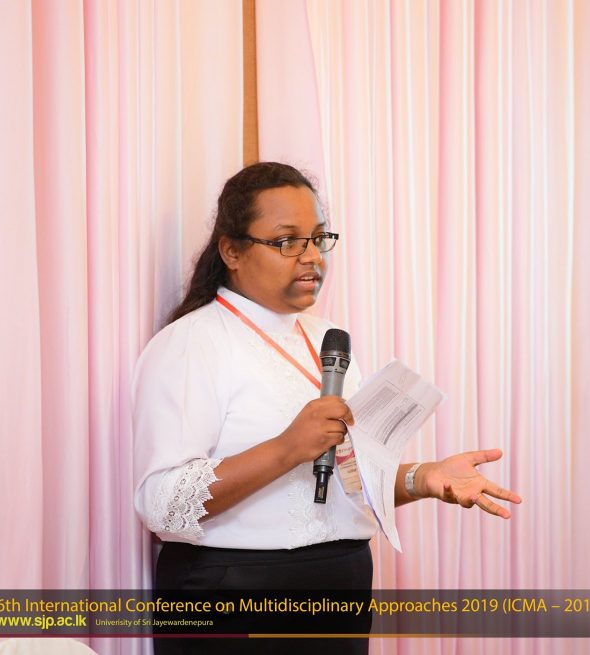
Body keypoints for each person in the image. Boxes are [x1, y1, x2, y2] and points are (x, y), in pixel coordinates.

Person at [132, 162, 522, 654]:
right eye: (287, 241)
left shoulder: (328, 340)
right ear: (231, 250)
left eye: (318, 238)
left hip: (340, 585)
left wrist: (421, 478)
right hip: (232, 594)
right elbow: (162, 503)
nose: (312, 256)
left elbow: (346, 483)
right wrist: (287, 448)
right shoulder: (191, 344)